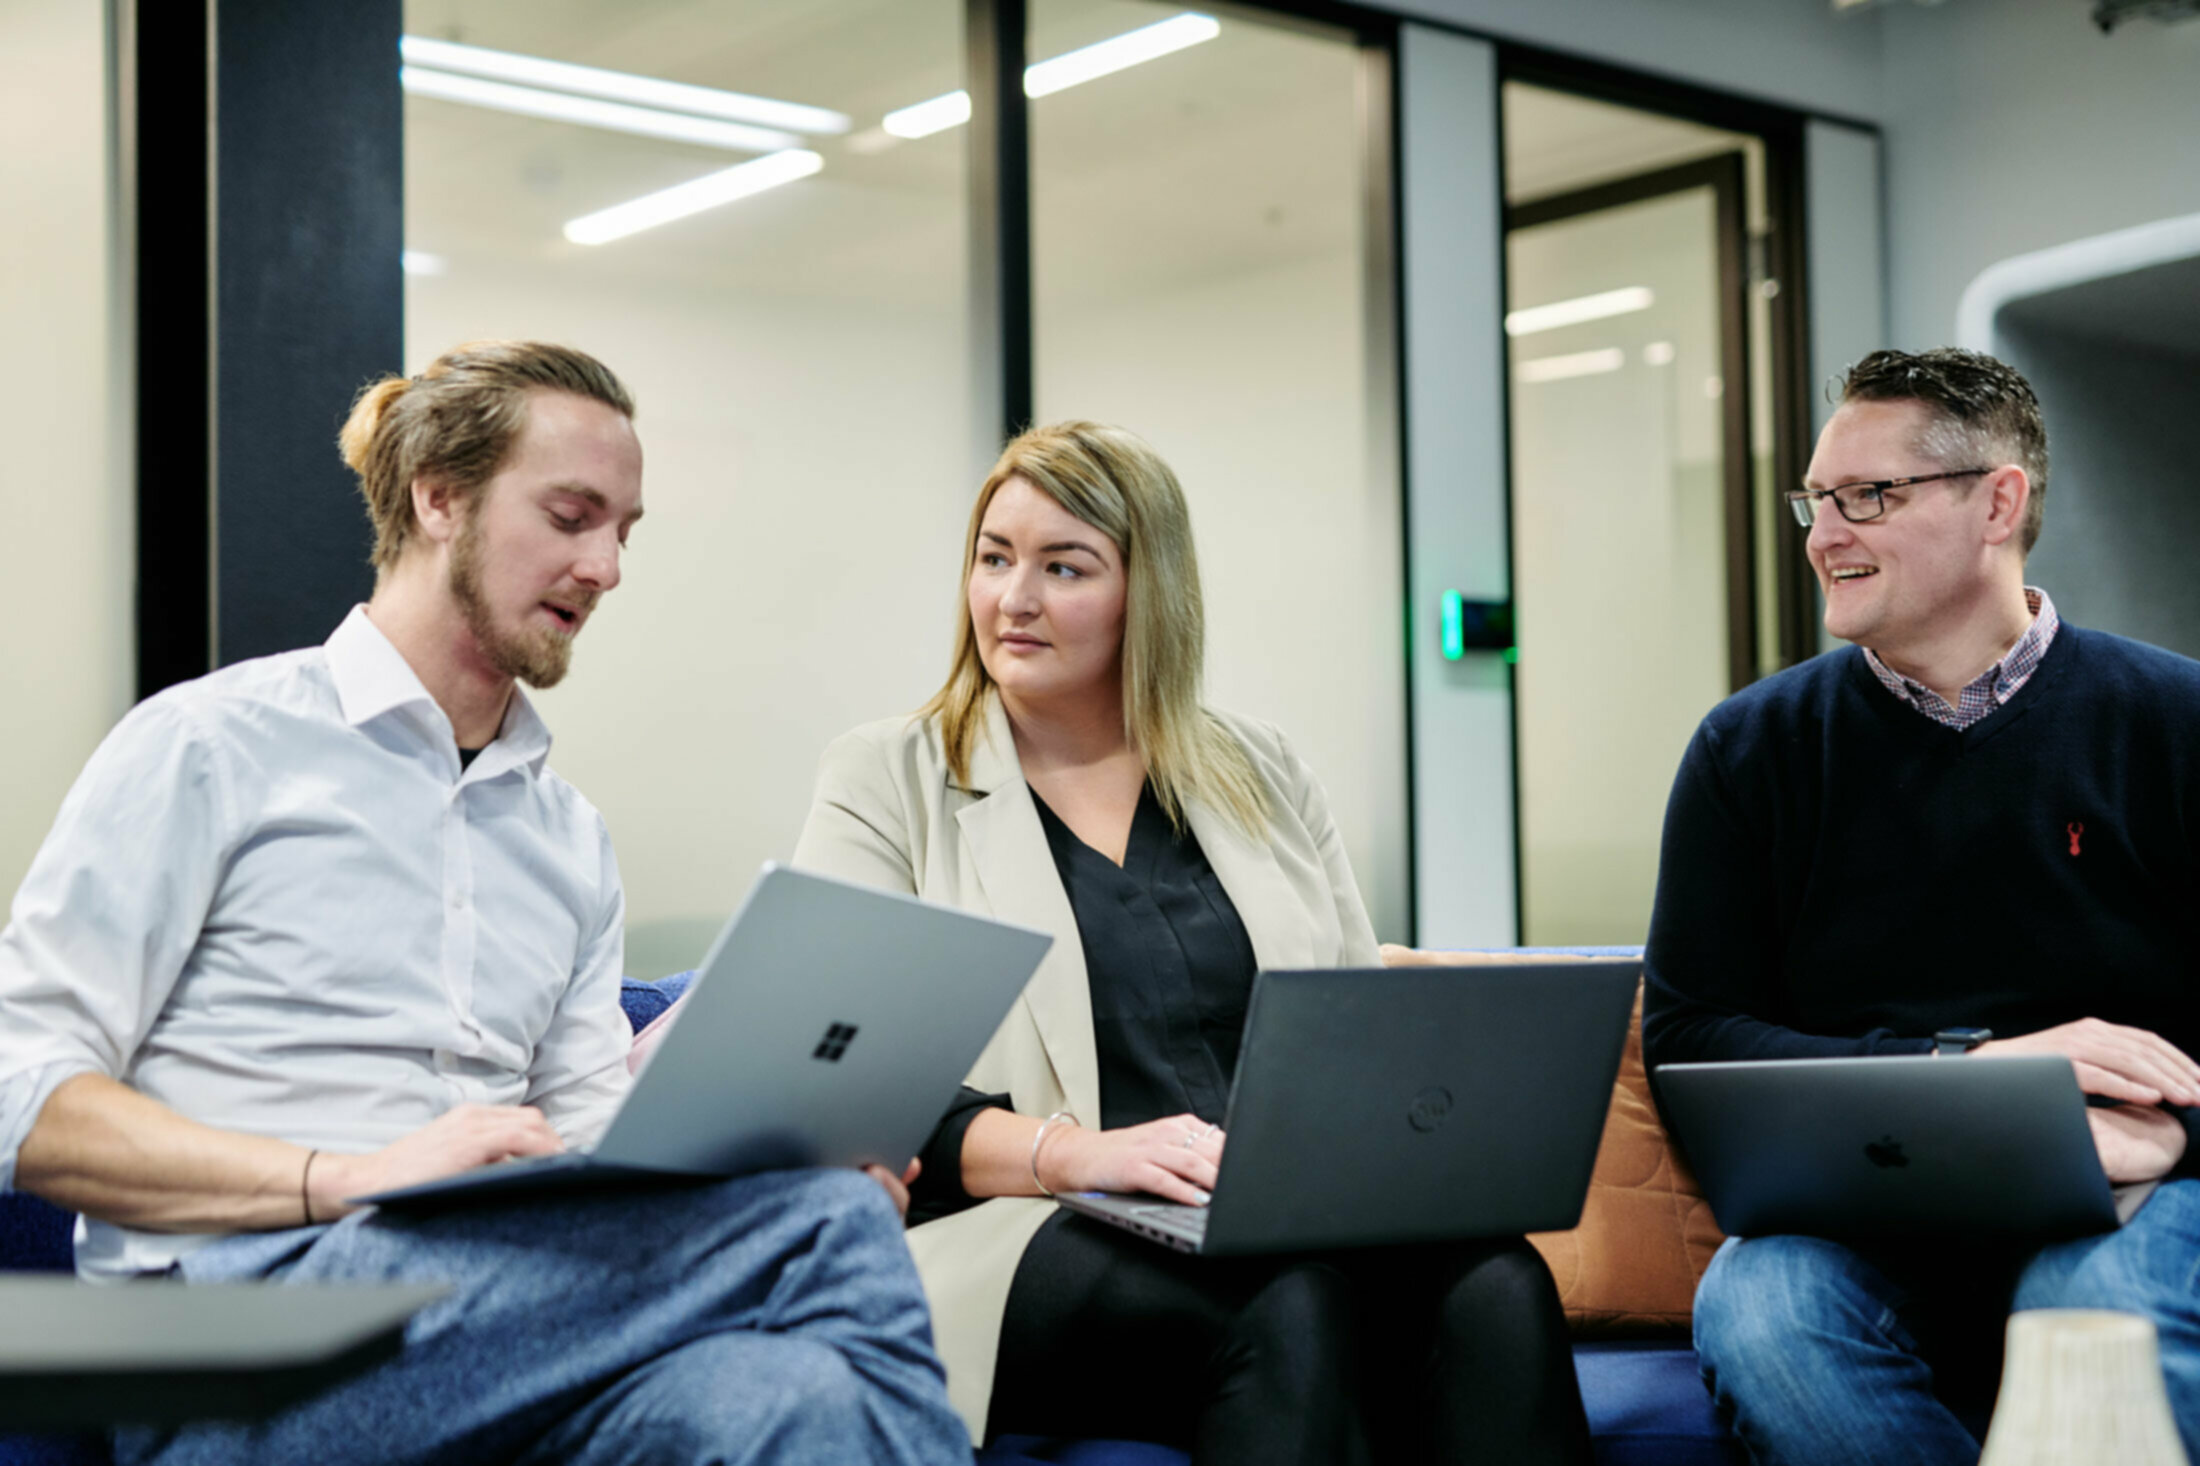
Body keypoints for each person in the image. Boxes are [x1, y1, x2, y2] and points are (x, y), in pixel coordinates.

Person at [0, 341, 965, 1466]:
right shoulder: (209, 746)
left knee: (787, 1394)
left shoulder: (567, 839)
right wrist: (339, 1177)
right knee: (828, 1221)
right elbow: (20, 1095)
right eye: (570, 515)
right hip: (229, 1337)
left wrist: (728, 1155)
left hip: (494, 1328)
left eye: (624, 530)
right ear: (439, 498)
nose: (605, 566)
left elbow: (589, 1139)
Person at [792, 421, 1594, 1465]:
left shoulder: (1259, 768)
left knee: (1497, 1281)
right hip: (1019, 1224)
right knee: (1288, 1305)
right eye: (994, 558)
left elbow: (1357, 1030)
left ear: (1147, 592)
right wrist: (1076, 1152)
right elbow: (844, 1069)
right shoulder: (885, 777)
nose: (1011, 598)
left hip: (1266, 1212)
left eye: (1061, 566)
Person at [1642, 347, 2200, 1465]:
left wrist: (2173, 1124)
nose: (1821, 533)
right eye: (1816, 498)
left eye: (1870, 497)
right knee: (1759, 1313)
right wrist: (1974, 1073)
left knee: (2094, 1323)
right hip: (1866, 1207)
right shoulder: (1747, 749)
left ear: (1999, 501)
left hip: (2133, 1185)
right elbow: (1690, 1033)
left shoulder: (2172, 720)